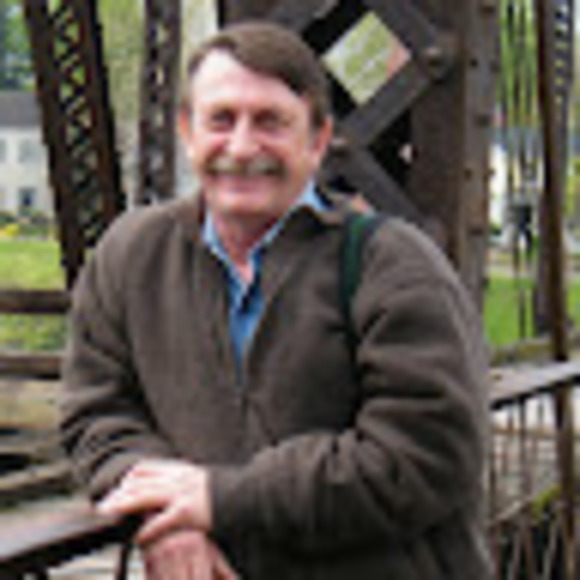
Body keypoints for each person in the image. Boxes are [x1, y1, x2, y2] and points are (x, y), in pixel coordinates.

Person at [61, 21, 491, 579]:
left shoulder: (394, 265)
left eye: (270, 122)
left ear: (317, 140)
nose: (242, 147)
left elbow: (426, 454)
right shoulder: (131, 255)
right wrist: (166, 513)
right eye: (221, 120)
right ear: (187, 131)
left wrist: (222, 497)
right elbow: (95, 414)